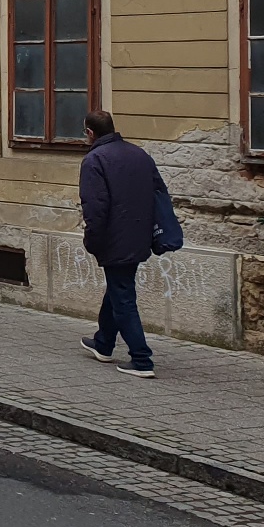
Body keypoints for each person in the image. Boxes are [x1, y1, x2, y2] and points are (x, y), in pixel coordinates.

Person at [77, 109, 165, 378]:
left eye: (85, 133)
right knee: (118, 287)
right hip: (139, 236)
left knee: (123, 297)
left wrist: (92, 240)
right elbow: (159, 193)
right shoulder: (139, 154)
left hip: (114, 238)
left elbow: (95, 207)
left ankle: (141, 359)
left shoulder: (94, 160)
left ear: (91, 133)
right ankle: (103, 342)